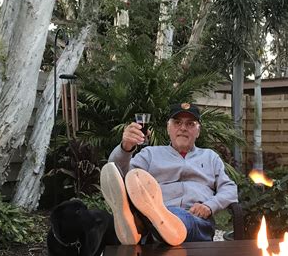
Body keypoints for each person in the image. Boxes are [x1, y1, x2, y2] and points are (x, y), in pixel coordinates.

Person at [100, 103, 238, 246]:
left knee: (179, 217)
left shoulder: (210, 157)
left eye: (190, 124)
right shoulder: (150, 154)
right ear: (168, 128)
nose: (183, 128)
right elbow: (118, 174)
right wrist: (126, 146)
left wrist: (210, 206)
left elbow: (230, 189)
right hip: (156, 214)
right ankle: (149, 221)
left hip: (196, 220)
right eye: (177, 123)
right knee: (131, 179)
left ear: (198, 131)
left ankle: (139, 225)